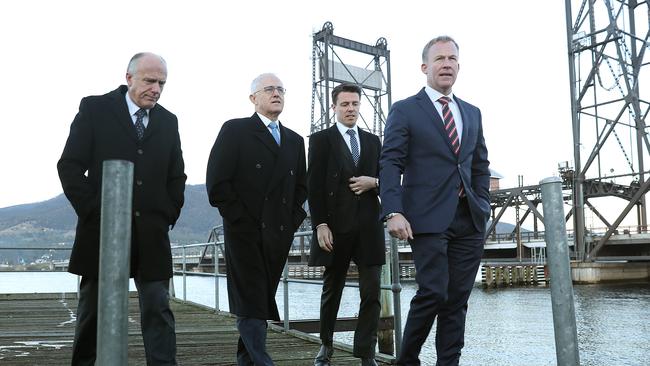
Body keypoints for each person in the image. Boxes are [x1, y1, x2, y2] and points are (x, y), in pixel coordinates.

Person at [57, 52, 186, 366]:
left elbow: (176, 176)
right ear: (129, 77)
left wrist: (168, 213)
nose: (156, 89)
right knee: (93, 312)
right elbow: (70, 166)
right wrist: (96, 212)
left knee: (159, 310)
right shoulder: (95, 109)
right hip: (101, 232)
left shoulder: (168, 121)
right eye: (150, 81)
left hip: (152, 235)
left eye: (162, 83)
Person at [379, 36, 491, 366]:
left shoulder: (472, 112)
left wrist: (482, 202)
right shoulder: (405, 109)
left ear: (459, 66)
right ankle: (408, 360)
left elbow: (479, 164)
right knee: (433, 292)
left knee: (457, 300)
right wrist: (393, 211)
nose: (447, 63)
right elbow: (390, 162)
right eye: (439, 58)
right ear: (425, 67)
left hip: (468, 218)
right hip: (425, 218)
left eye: (452, 58)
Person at [206, 73, 307, 366]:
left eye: (280, 89)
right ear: (253, 98)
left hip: (277, 235)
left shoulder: (294, 140)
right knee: (252, 302)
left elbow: (302, 186)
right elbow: (217, 184)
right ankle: (263, 362)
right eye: (269, 89)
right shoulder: (235, 131)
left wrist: (290, 221)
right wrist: (241, 221)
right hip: (244, 234)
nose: (277, 94)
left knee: (259, 301)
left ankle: (246, 361)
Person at [307, 83, 385, 366]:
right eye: (345, 104)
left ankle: (366, 353)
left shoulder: (374, 141)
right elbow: (313, 187)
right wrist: (320, 225)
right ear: (334, 107)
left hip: (368, 228)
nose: (351, 109)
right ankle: (325, 346)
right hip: (335, 228)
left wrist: (373, 182)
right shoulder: (320, 140)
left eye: (355, 104)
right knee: (332, 290)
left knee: (372, 292)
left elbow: (387, 179)